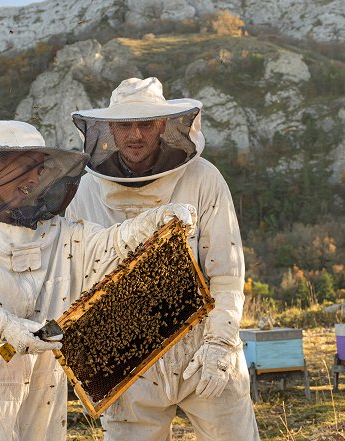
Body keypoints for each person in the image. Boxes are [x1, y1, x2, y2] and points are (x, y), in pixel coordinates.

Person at [0, 120, 197, 441]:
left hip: (43, 391)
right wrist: (4, 326)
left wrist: (154, 221)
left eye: (40, 168)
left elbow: (110, 244)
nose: (36, 177)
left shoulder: (55, 231)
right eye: (26, 166)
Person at [66, 78, 260, 440]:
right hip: (127, 358)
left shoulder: (203, 179)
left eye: (146, 124)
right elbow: (79, 277)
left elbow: (226, 272)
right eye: (125, 124)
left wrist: (219, 344)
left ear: (164, 126)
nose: (135, 134)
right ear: (109, 128)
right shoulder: (86, 191)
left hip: (203, 348)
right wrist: (85, 360)